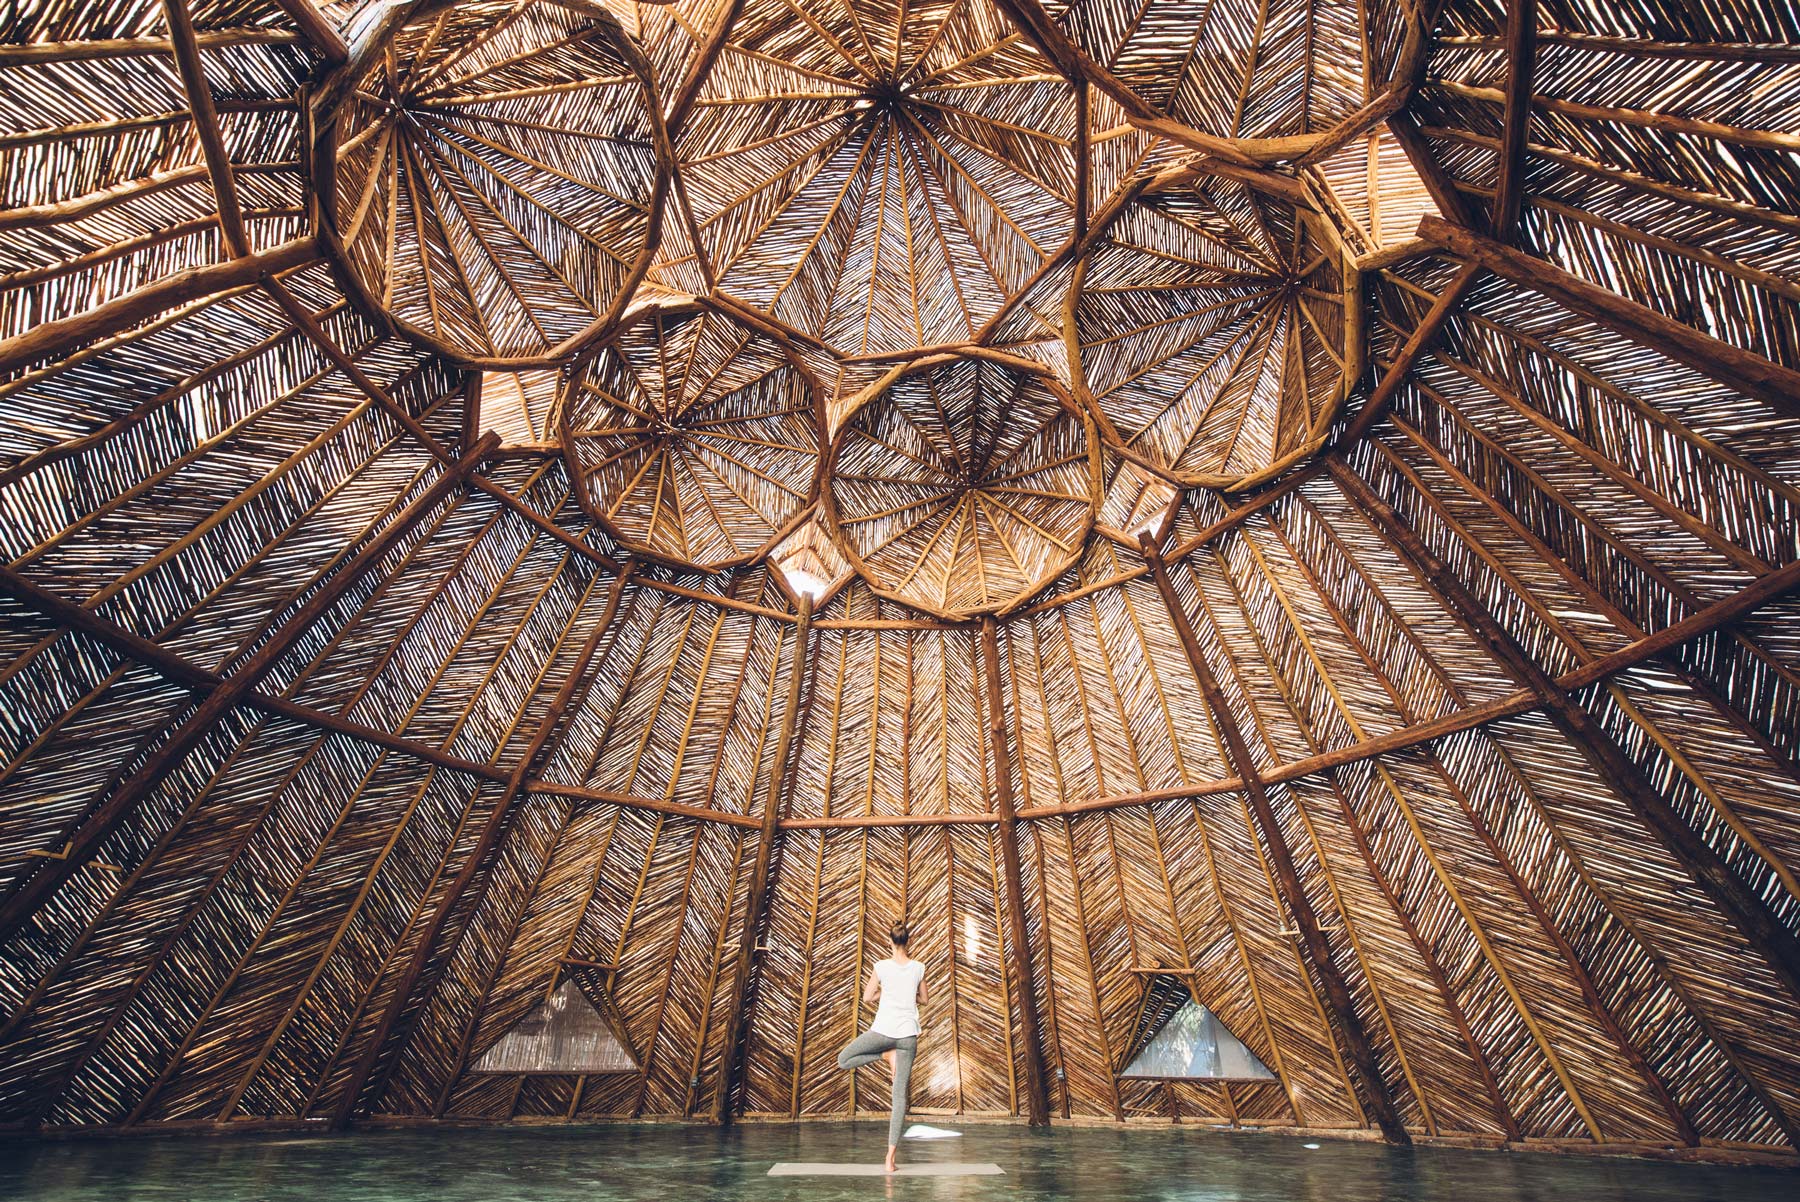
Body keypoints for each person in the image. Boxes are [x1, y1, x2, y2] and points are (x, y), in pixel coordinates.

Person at [837, 921, 930, 1172]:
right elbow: (924, 999)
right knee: (899, 1098)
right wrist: (904, 994)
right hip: (908, 1036)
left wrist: (886, 994)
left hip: (883, 1031)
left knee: (843, 1060)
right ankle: (890, 1158)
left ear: (890, 941)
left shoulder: (881, 967)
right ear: (907, 941)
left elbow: (867, 997)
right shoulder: (919, 967)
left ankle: (884, 1054)